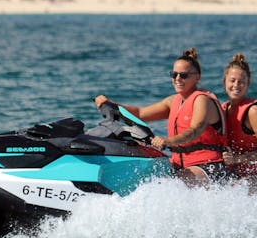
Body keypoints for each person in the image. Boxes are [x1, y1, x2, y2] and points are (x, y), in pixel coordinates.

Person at [95, 47, 227, 186]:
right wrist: (111, 104)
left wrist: (169, 141)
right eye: (174, 74)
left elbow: (195, 130)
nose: (177, 79)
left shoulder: (202, 100)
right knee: (144, 178)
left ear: (197, 77)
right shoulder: (173, 101)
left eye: (183, 75)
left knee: (174, 184)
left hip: (209, 167)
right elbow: (140, 113)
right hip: (180, 165)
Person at [221, 53, 257, 190]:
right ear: (225, 82)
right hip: (238, 175)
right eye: (232, 80)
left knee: (235, 190)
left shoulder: (253, 111)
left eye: (241, 81)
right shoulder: (223, 109)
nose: (236, 85)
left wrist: (236, 159)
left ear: (248, 84)